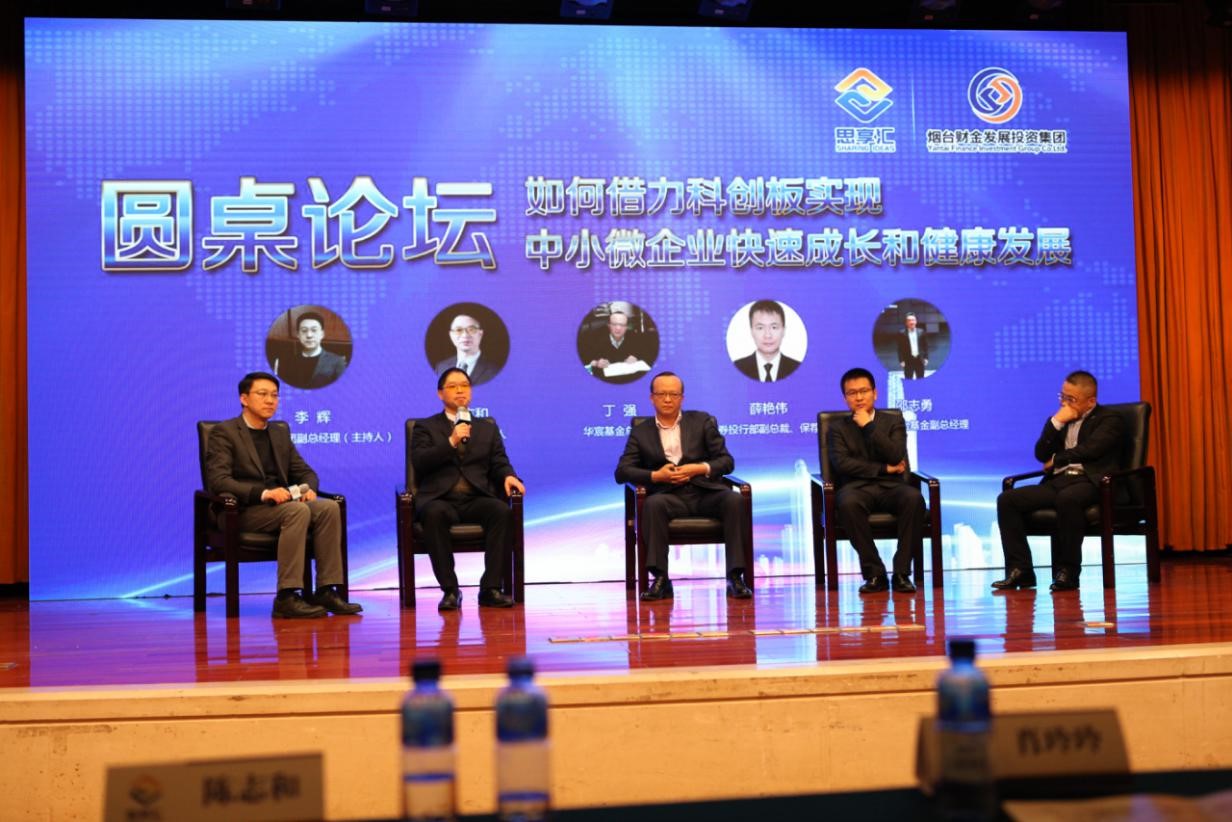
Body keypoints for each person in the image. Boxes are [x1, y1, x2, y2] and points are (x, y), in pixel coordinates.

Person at [205, 372, 363, 618]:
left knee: (328, 508)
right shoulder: (224, 432)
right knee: (296, 511)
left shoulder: (278, 433)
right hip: (240, 510)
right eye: (263, 394)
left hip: (281, 508)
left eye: (275, 395)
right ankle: (286, 597)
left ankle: (325, 590)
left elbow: (305, 472)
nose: (270, 400)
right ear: (244, 399)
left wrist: (308, 488)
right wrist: (263, 493)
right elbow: (219, 480)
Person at [614, 372, 752, 601]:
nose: (667, 399)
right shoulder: (641, 431)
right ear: (651, 398)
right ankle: (660, 579)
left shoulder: (702, 422)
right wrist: (657, 476)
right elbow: (622, 472)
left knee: (735, 499)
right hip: (668, 497)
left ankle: (735, 577)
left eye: (673, 394)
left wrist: (698, 468)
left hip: (705, 492)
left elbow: (727, 462)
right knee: (653, 504)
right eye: (662, 394)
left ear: (682, 398)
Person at [993, 371, 1125, 592]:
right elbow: (1040, 453)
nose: (1064, 403)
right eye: (1062, 396)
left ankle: (1068, 572)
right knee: (1008, 500)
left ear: (1091, 401)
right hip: (1061, 481)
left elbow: (1091, 450)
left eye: (1071, 399)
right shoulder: (1061, 419)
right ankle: (1020, 570)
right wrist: (1056, 422)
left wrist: (1057, 459)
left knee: (1068, 499)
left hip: (1093, 482)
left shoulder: (1109, 420)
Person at [412, 368, 525, 610]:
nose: (460, 390)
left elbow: (499, 461)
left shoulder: (487, 428)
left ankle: (490, 589)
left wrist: (509, 476)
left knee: (501, 512)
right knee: (433, 514)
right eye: (453, 386)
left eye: (464, 385)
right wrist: (451, 441)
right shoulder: (424, 427)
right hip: (441, 498)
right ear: (440, 394)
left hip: (476, 497)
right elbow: (420, 462)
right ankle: (450, 591)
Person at [828, 367, 925, 594]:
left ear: (875, 393)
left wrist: (869, 426)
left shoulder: (894, 421)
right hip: (856, 488)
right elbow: (843, 464)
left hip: (892, 487)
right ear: (845, 398)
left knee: (914, 499)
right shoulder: (837, 428)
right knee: (848, 504)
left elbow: (896, 454)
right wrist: (884, 468)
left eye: (864, 391)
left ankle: (901, 573)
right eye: (852, 393)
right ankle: (875, 573)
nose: (859, 397)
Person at [274, 311, 348, 389]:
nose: (309, 335)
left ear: (322, 334)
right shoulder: (287, 362)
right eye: (304, 330)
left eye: (314, 330)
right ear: (298, 335)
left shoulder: (337, 362)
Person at [732, 300, 801, 382]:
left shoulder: (797, 368)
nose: (767, 335)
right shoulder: (737, 368)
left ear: (783, 331)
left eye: (774, 327)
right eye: (760, 328)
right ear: (751, 331)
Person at [583, 310, 653, 383]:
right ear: (609, 325)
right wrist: (596, 363)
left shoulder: (635, 337)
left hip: (628, 379)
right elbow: (584, 361)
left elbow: (646, 355)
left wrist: (636, 357)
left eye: (622, 325)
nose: (618, 328)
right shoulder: (595, 338)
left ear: (626, 327)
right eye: (614, 324)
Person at [433, 314, 498, 385]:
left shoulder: (495, 371)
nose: (465, 335)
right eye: (458, 330)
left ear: (480, 334)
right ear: (451, 335)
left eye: (471, 330)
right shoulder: (441, 367)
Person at [895, 313, 929, 380]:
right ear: (906, 323)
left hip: (920, 360)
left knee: (920, 378)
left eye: (913, 320)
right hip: (908, 360)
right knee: (908, 378)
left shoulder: (921, 332)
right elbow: (900, 348)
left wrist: (926, 358)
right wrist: (901, 360)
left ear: (916, 321)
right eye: (909, 320)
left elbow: (925, 346)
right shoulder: (901, 333)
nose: (911, 322)